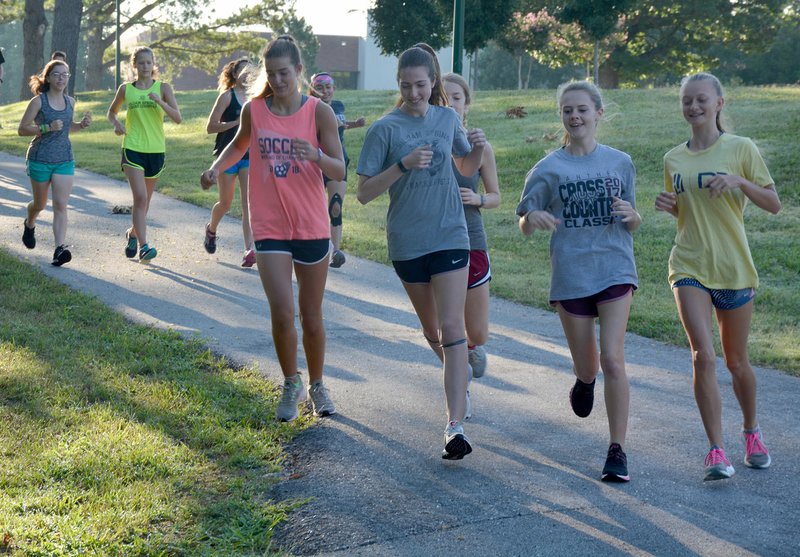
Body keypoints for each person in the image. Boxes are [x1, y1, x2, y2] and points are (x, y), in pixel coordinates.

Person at [200, 35, 345, 422]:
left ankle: (317, 385)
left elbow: (340, 169)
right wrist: (216, 169)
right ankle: (290, 384)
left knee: (310, 314)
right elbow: (238, 146)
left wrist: (315, 155)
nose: (279, 81)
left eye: (286, 73)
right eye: (273, 74)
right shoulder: (255, 111)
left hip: (311, 224)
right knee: (282, 313)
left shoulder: (318, 113)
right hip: (270, 225)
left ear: (299, 71)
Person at [357, 44, 486, 460]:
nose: (413, 93)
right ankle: (458, 372)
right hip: (408, 242)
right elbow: (363, 193)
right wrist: (403, 165)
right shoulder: (384, 129)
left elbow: (465, 167)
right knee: (432, 330)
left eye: (420, 85)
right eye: (405, 86)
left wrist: (479, 149)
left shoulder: (447, 118)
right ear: (399, 85)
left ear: (433, 84)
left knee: (452, 329)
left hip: (451, 234)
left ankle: (455, 426)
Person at [655, 72, 781, 481]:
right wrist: (670, 205)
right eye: (687, 101)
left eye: (701, 100)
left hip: (734, 267)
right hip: (689, 264)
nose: (693, 107)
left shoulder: (741, 148)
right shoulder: (673, 158)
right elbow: (688, 212)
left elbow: (773, 204)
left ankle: (751, 432)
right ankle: (715, 449)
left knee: (737, 361)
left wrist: (740, 181)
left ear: (719, 103)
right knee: (703, 356)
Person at [516, 81, 640, 482]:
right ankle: (584, 381)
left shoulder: (620, 162)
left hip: (615, 269)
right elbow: (524, 221)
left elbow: (634, 220)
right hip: (571, 273)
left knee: (613, 359)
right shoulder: (548, 168)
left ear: (598, 113)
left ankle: (617, 450)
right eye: (568, 110)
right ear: (561, 116)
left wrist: (632, 216)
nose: (575, 116)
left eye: (583, 109)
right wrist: (531, 219)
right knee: (588, 365)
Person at [442, 72, 500, 380]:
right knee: (447, 326)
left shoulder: (480, 147)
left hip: (471, 240)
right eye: (443, 97)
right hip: (435, 241)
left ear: (467, 105)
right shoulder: (425, 142)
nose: (449, 103)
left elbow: (496, 196)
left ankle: (471, 346)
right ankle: (457, 384)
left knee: (476, 330)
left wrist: (477, 198)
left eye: (456, 97)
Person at [107, 46, 182, 262]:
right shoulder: (125, 89)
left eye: (149, 62)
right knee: (139, 198)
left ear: (153, 64)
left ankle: (132, 233)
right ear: (134, 65)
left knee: (145, 203)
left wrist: (160, 101)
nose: (145, 66)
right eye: (141, 63)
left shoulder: (164, 88)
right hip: (132, 148)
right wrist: (117, 123)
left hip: (156, 150)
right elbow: (111, 112)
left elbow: (178, 118)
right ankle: (144, 247)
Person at [17, 60, 91, 266]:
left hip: (64, 160)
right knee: (39, 204)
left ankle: (59, 249)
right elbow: (22, 129)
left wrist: (81, 125)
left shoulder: (70, 102)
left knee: (60, 205)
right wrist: (47, 127)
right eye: (57, 74)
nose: (61, 78)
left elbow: (67, 128)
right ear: (48, 78)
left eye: (65, 74)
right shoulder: (38, 102)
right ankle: (30, 223)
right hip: (40, 159)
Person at [201, 57, 256, 267]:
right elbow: (211, 126)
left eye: (251, 71)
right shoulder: (227, 97)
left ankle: (248, 249)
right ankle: (212, 228)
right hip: (227, 156)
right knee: (225, 203)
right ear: (234, 74)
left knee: (247, 204)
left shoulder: (255, 98)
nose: (247, 74)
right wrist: (237, 123)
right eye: (243, 70)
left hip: (249, 157)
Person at [308, 71, 366, 268]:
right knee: (312, 207)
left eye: (328, 87)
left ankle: (336, 251)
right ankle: (314, 243)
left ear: (334, 88)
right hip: (315, 163)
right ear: (313, 90)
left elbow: (340, 126)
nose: (325, 91)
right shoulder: (310, 108)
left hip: (339, 161)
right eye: (320, 88)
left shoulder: (338, 106)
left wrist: (354, 124)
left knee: (335, 205)